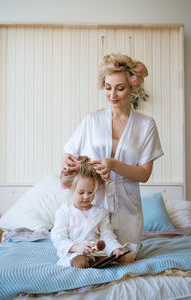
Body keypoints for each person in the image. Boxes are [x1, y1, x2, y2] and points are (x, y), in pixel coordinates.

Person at [61, 53, 164, 261]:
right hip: (94, 203)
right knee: (91, 252)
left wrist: (113, 164)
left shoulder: (146, 125)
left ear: (133, 88)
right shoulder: (91, 121)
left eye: (120, 88)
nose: (112, 94)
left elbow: (144, 174)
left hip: (127, 207)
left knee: (125, 257)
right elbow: (68, 157)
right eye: (108, 87)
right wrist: (66, 163)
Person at [51, 156, 131, 268]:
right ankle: (84, 261)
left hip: (96, 252)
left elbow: (107, 236)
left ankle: (111, 257)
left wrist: (114, 249)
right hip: (74, 252)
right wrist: (76, 246)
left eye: (90, 192)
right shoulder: (64, 212)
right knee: (80, 262)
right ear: (72, 190)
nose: (86, 197)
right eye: (81, 192)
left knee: (118, 257)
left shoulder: (101, 213)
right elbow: (59, 238)